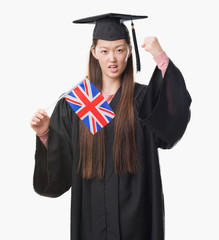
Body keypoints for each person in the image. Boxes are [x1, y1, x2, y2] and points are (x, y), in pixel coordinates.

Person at [30, 13, 191, 240]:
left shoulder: (143, 100)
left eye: (119, 50)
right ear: (94, 52)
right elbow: (61, 168)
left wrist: (160, 56)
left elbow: (172, 124)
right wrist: (45, 133)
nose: (112, 59)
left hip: (136, 219)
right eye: (104, 51)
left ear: (129, 51)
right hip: (91, 220)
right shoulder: (79, 102)